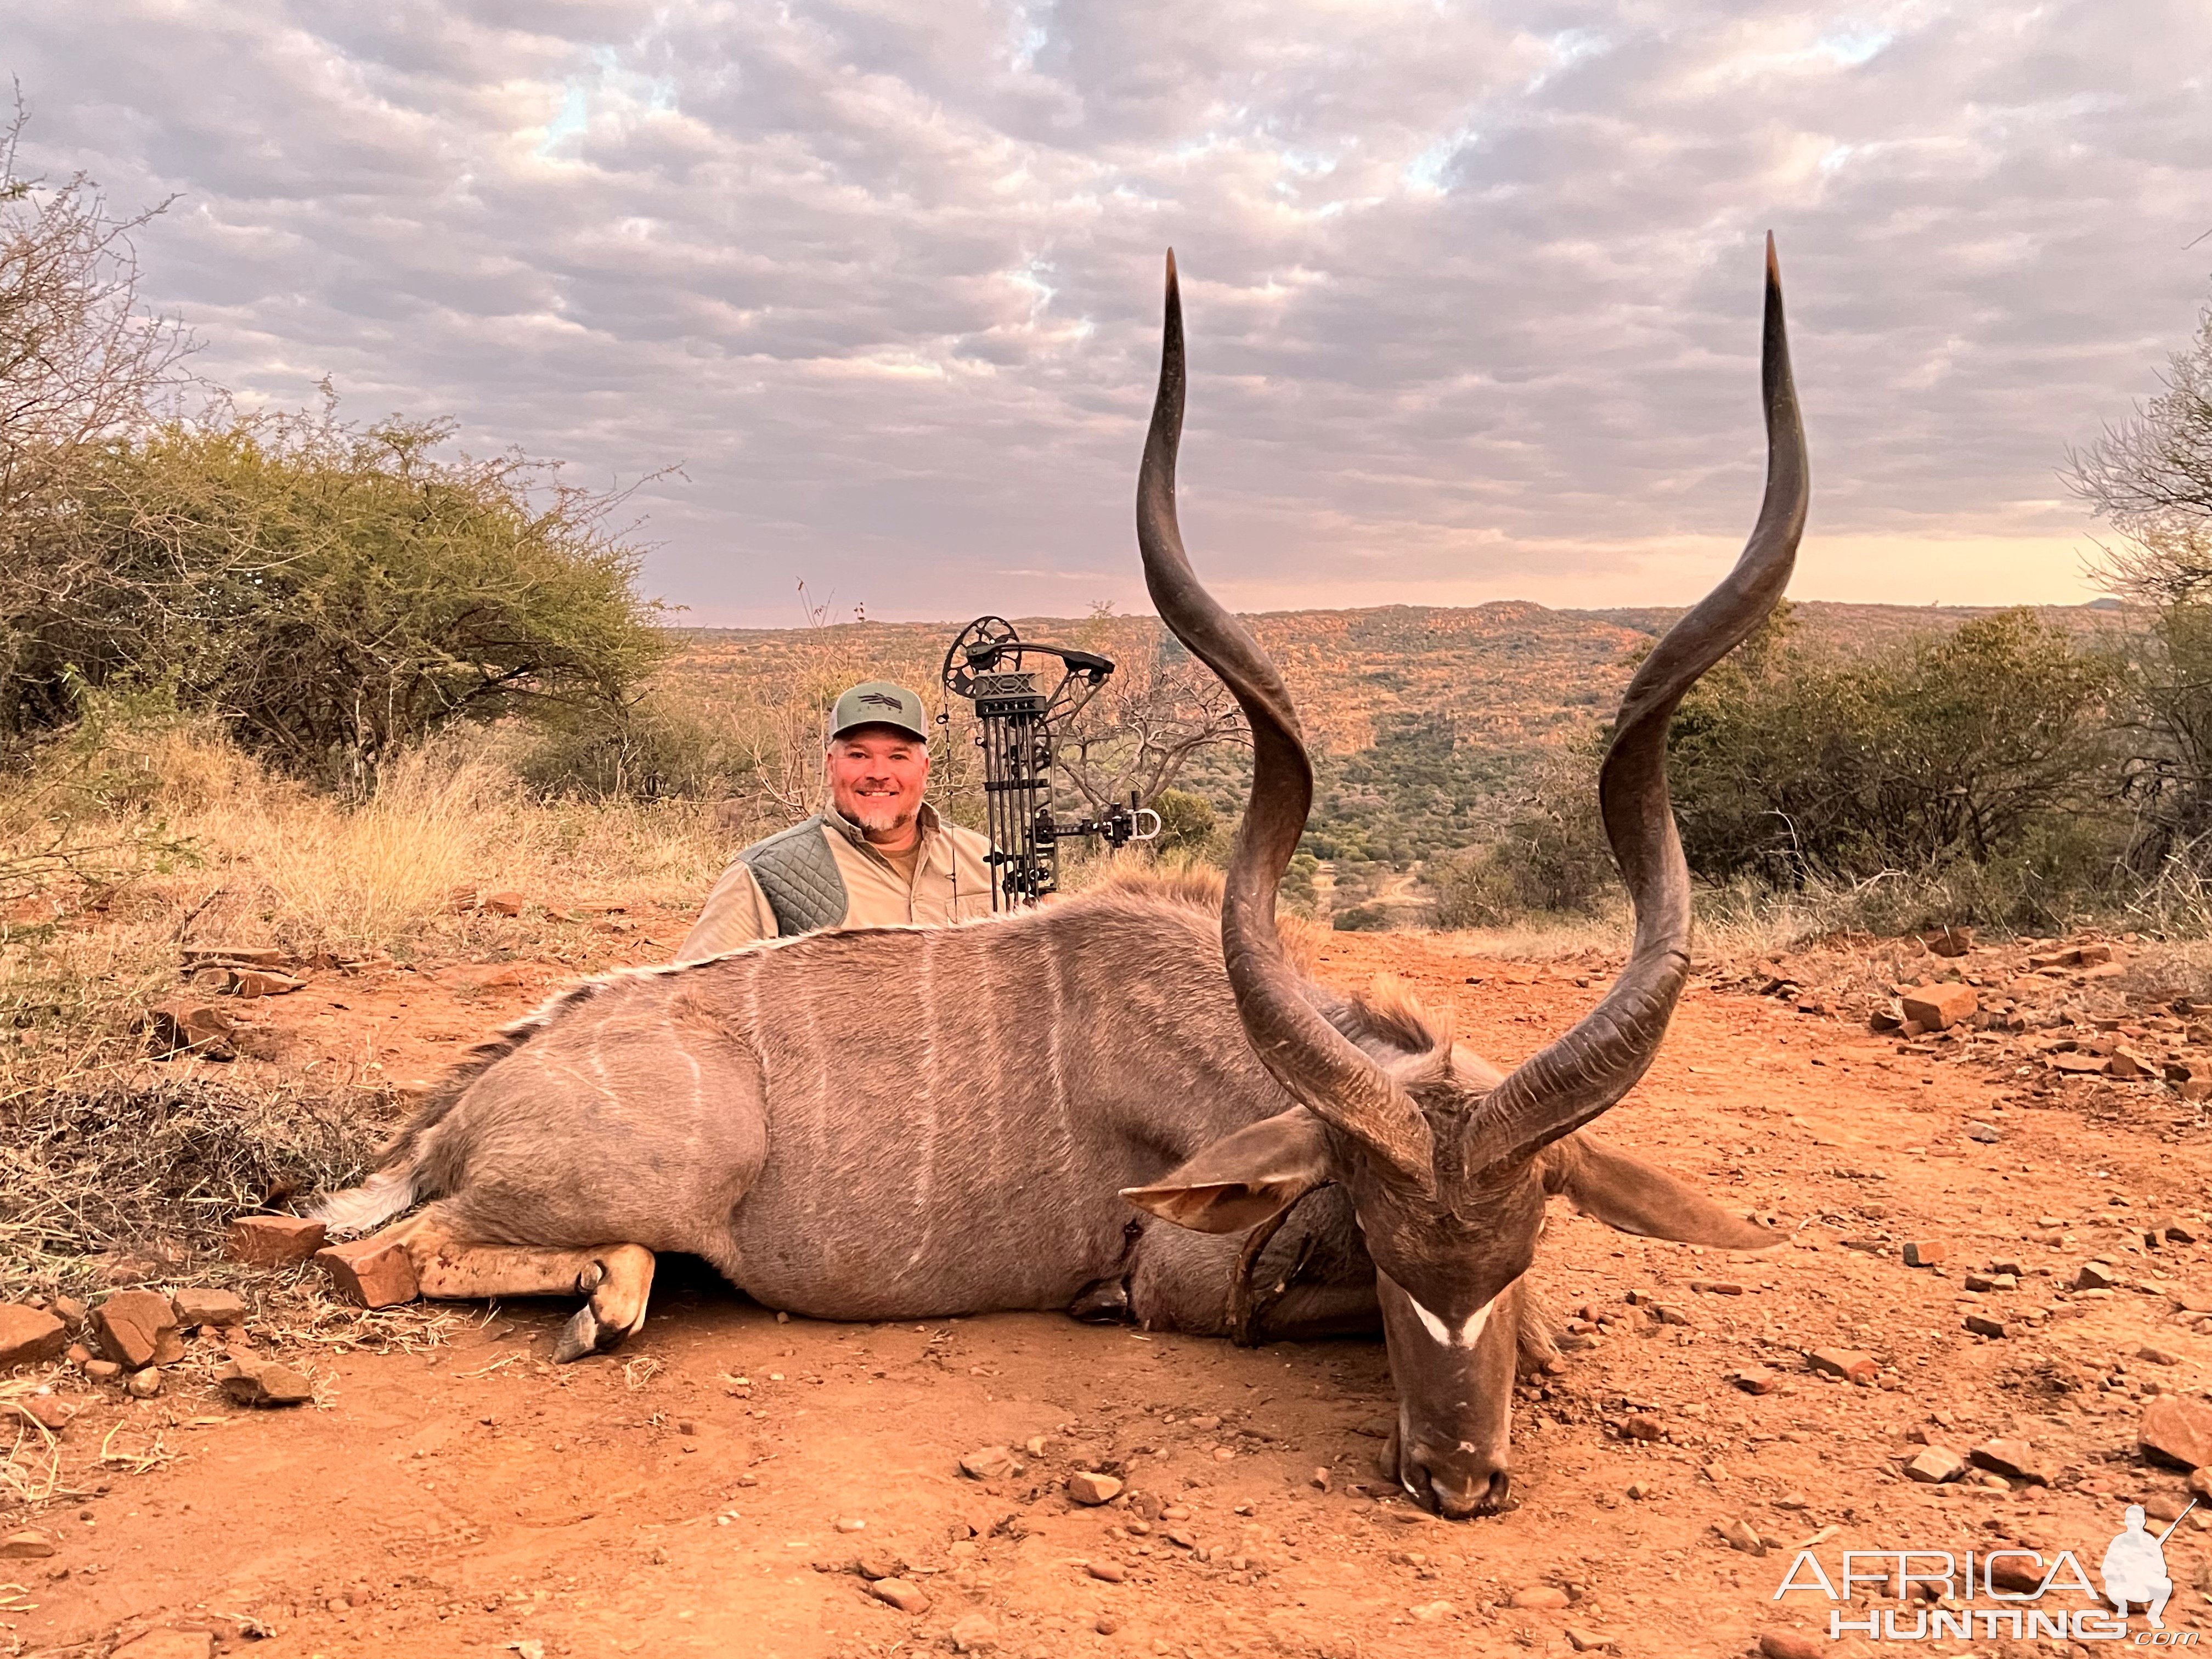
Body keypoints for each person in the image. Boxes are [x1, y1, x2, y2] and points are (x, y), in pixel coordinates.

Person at [675, 680, 992, 961]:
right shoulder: (765, 873)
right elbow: (694, 1000)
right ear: (830, 765)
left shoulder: (983, 858)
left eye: (898, 757)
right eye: (858, 755)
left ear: (924, 769)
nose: (879, 774)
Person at [2100, 1504, 2173, 1628]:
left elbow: (2162, 1569)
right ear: (2126, 1521)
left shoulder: (2150, 1542)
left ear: (2143, 1522)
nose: (2134, 1524)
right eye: (2131, 1520)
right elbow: (2107, 1568)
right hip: (2122, 1585)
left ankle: (2154, 1615)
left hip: (2143, 1584)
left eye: (2137, 1520)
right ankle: (2122, 1608)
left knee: (2167, 1584)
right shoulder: (2119, 1541)